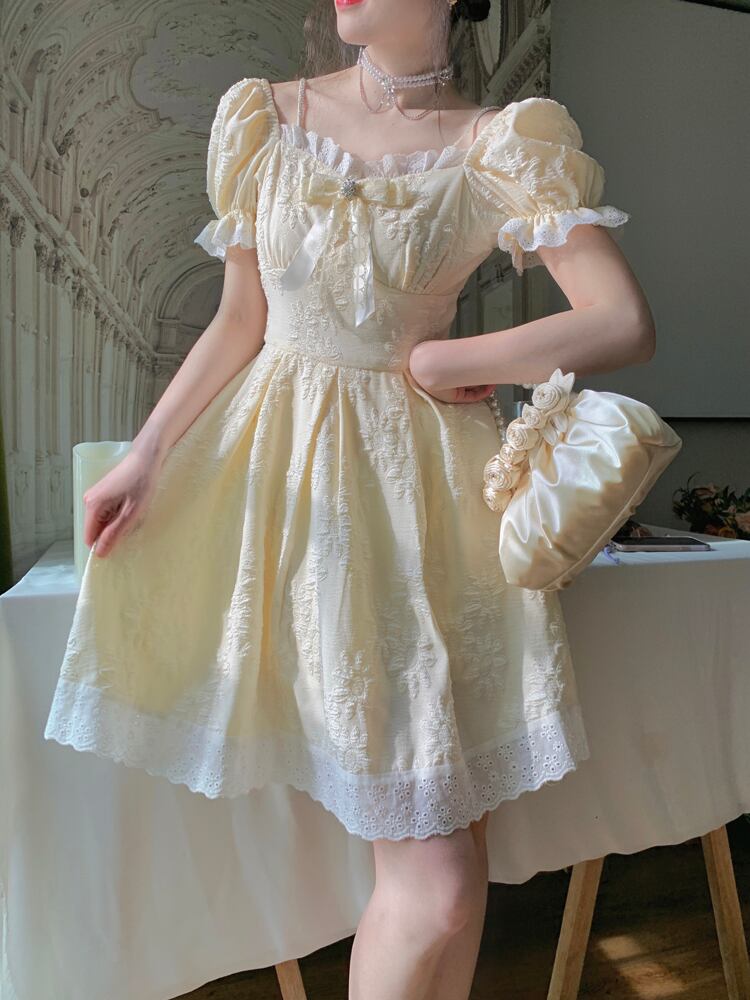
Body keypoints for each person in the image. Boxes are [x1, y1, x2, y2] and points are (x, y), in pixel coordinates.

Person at [44, 0, 654, 997]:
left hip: (433, 507)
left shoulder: (502, 141)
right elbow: (240, 319)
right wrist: (147, 455)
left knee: (454, 865)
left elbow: (621, 318)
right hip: (296, 496)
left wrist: (450, 358)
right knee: (438, 879)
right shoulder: (264, 115)